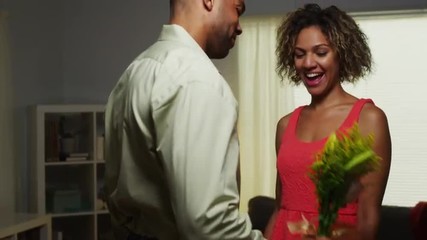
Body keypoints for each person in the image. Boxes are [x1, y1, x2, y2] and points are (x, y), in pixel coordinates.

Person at [103, 0, 265, 239]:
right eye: (237, 9)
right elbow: (208, 225)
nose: (239, 26)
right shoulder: (197, 80)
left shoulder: (136, 70)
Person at [264, 4, 392, 240]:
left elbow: (368, 217)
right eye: (299, 54)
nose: (308, 63)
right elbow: (280, 208)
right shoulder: (285, 125)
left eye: (321, 52)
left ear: (341, 53)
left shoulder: (369, 119)